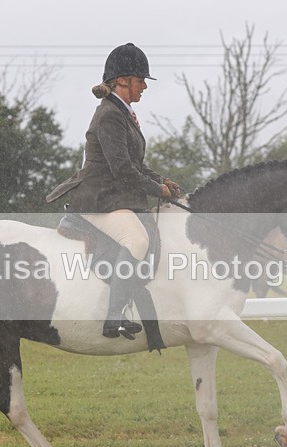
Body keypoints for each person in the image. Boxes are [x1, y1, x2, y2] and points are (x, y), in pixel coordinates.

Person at [46, 43, 180, 340]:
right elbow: (122, 169)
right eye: (140, 79)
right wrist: (156, 188)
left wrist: (162, 182)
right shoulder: (109, 114)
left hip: (115, 198)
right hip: (100, 199)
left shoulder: (123, 113)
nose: (144, 85)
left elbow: (135, 164)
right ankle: (114, 317)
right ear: (122, 80)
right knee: (136, 239)